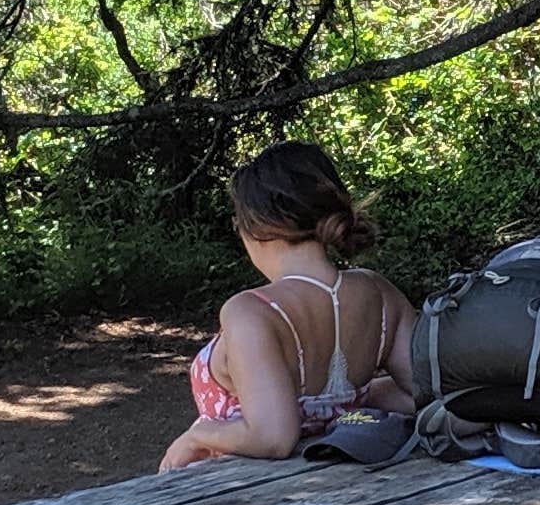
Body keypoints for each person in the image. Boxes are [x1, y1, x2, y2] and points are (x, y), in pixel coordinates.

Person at [160, 143, 418, 469]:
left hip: (239, 494)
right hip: (342, 474)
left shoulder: (252, 310)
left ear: (259, 224)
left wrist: (198, 436)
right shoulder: (380, 293)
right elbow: (427, 393)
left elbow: (273, 437)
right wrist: (361, 398)